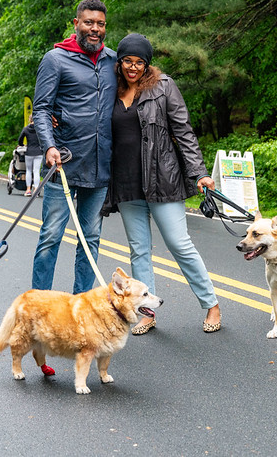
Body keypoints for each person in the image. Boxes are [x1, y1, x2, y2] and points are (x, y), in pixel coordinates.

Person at [101, 33, 222, 334]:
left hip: (163, 180)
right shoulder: (110, 89)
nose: (133, 67)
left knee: (179, 244)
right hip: (126, 183)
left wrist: (199, 173)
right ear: (120, 62)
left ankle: (211, 304)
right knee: (139, 250)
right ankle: (147, 313)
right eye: (127, 61)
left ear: (147, 64)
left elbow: (184, 131)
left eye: (139, 62)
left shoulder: (163, 86)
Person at [31, 0, 117, 294]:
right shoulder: (55, 59)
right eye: (89, 22)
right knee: (51, 236)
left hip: (100, 166)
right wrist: (48, 146)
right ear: (76, 23)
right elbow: (41, 109)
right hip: (63, 164)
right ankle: (39, 304)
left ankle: (83, 305)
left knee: (90, 239)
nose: (95, 29)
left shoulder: (113, 61)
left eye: (100, 24)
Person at [18, 115, 44, 197]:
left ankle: (28, 190)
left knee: (29, 171)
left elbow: (20, 140)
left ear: (30, 120)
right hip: (39, 152)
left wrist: (22, 145)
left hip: (29, 152)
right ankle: (36, 190)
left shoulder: (26, 129)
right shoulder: (39, 129)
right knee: (36, 171)